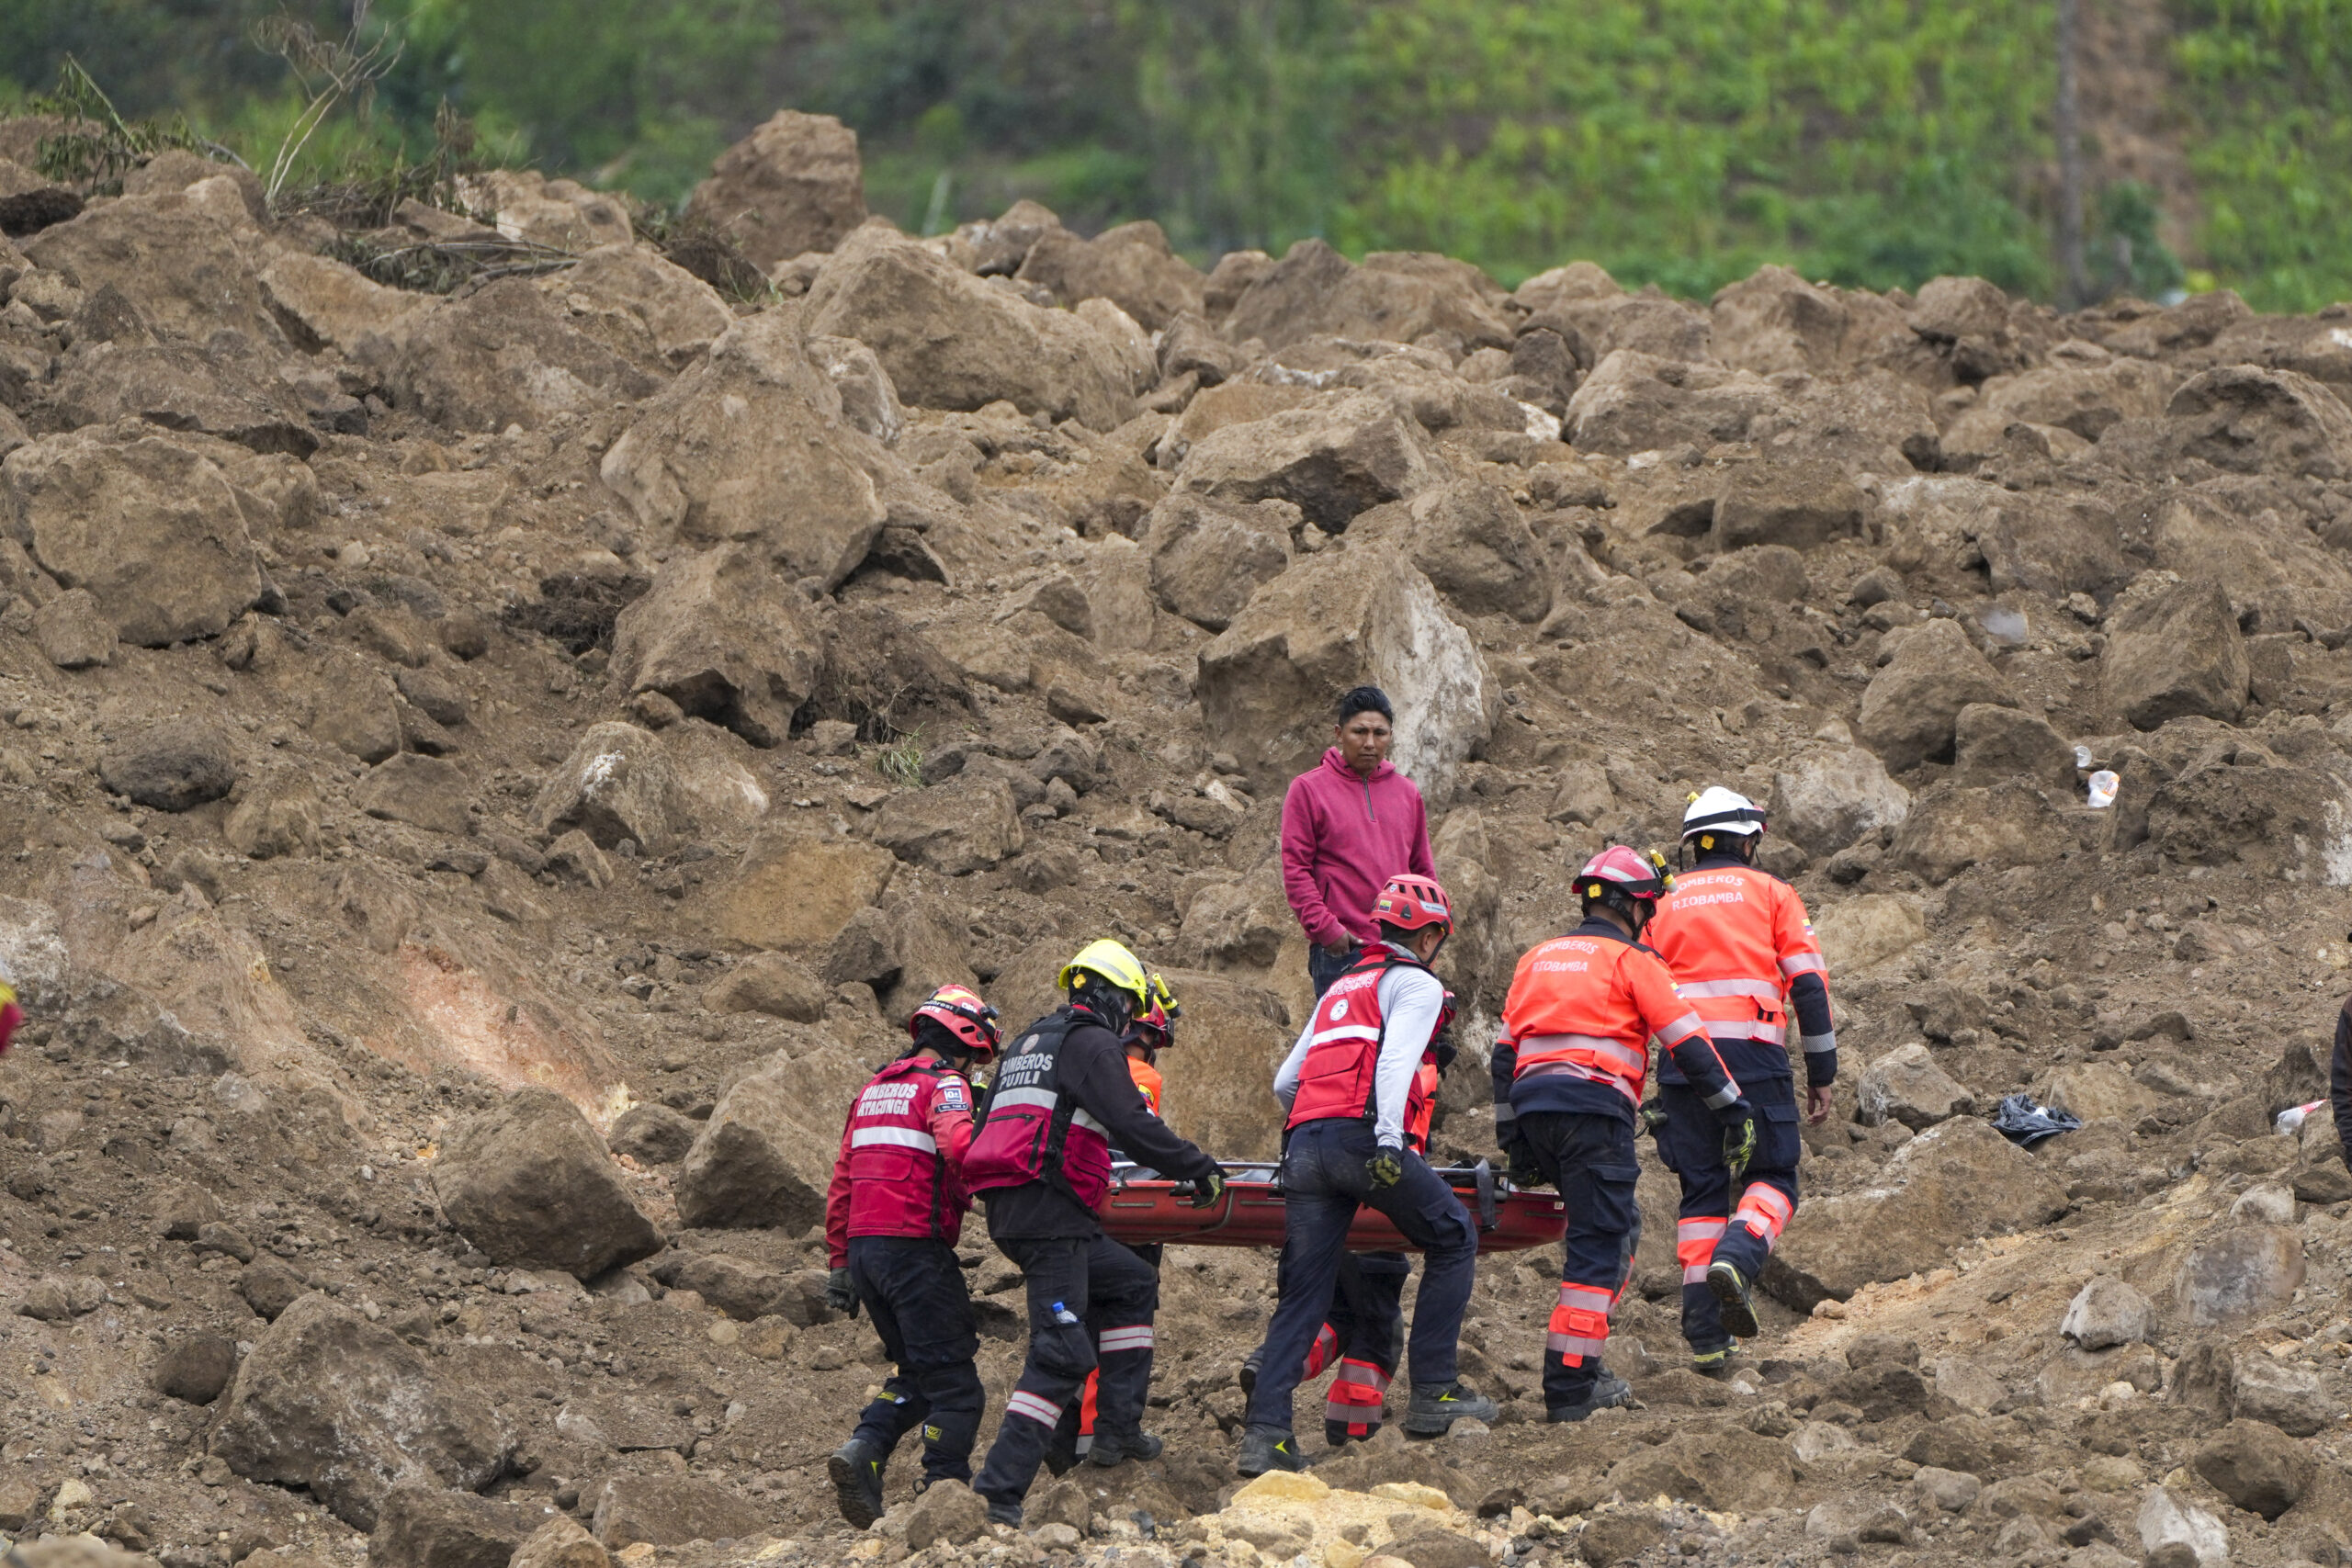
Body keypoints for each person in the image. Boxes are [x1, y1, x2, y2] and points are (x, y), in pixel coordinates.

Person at [1237, 874, 1496, 1476]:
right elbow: (1397, 1061)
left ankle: (1267, 1437)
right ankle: (1434, 1392)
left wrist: (1313, 1129)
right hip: (1364, 1139)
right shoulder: (1416, 983)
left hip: (1304, 1144)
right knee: (1453, 1234)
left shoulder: (1340, 986)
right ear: (1429, 935)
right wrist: (1385, 1137)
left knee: (1304, 1295)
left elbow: (1284, 1081)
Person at [966, 942, 1227, 1527]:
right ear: (1110, 996)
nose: (1132, 1020)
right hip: (1051, 1215)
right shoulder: (1091, 1042)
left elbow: (985, 1127)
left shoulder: (1028, 1043)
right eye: (1131, 1006)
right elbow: (1131, 1122)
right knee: (1061, 1352)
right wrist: (1197, 1166)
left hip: (1022, 1209)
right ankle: (998, 1493)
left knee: (1132, 1282)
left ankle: (1117, 1428)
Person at [1492, 847, 1752, 1422]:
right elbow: (1688, 1044)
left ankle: (1583, 1365)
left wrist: (1513, 1140)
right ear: (1636, 907)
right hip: (1594, 1113)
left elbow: (1503, 1054)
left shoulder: (1538, 957)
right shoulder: (1633, 960)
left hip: (1535, 1112)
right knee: (1599, 1246)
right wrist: (1734, 1108)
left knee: (1618, 1230)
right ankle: (1569, 1387)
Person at [1644, 789, 1837, 1368]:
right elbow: (1808, 985)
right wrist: (1821, 1072)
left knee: (1701, 1191)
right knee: (1774, 1175)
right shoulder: (1773, 892)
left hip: (1682, 1066)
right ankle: (1740, 1253)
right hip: (1754, 1058)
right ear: (1748, 840)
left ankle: (1706, 1337)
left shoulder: (1659, 905)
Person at [822, 984, 1003, 1528]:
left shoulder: (872, 1090)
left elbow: (842, 1180)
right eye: (975, 1059)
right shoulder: (946, 1085)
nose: (973, 1070)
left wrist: (837, 1265)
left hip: (863, 1256)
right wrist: (1005, 1170)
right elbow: (960, 1148)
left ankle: (865, 1447)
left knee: (918, 1374)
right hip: (914, 1254)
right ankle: (942, 1492)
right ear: (964, 1042)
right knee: (957, 1386)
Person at [1238, 1000, 1453, 1448]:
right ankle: (1352, 1434)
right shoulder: (1410, 1067)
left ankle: (1274, 1369)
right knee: (1377, 1327)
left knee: (1328, 1311)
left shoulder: (1342, 1056)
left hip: (1318, 1197)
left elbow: (1288, 1087)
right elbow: (1405, 1149)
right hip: (1377, 1207)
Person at [1057, 975, 1180, 1471]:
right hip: (1121, 1216)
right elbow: (1134, 1145)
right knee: (1126, 1319)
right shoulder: (1139, 1074)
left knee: (1076, 1323)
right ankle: (1105, 1434)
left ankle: (1067, 1438)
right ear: (1150, 1033)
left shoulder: (1072, 1059)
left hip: (1066, 1212)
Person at [1282, 686, 1436, 997]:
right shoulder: (1308, 789)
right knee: (1349, 1044)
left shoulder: (1407, 793)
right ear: (1339, 733)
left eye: (1379, 733)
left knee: (1402, 1045)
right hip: (1343, 950)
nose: (1369, 743)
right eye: (1359, 732)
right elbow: (1295, 870)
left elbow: (1423, 871)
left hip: (1402, 950)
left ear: (1391, 735)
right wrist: (1328, 931)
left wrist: (1428, 932)